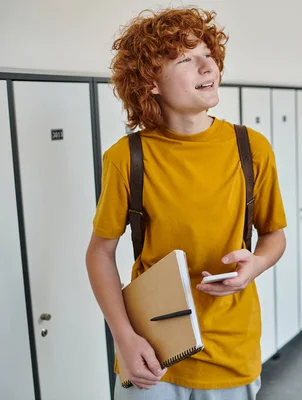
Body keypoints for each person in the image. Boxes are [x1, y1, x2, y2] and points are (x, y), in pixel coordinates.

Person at [85, 7, 287, 399]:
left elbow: (274, 235)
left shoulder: (252, 148)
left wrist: (256, 266)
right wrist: (124, 339)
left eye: (208, 55)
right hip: (152, 349)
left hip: (231, 349)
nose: (206, 66)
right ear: (151, 83)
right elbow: (99, 253)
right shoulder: (126, 158)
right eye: (186, 59)